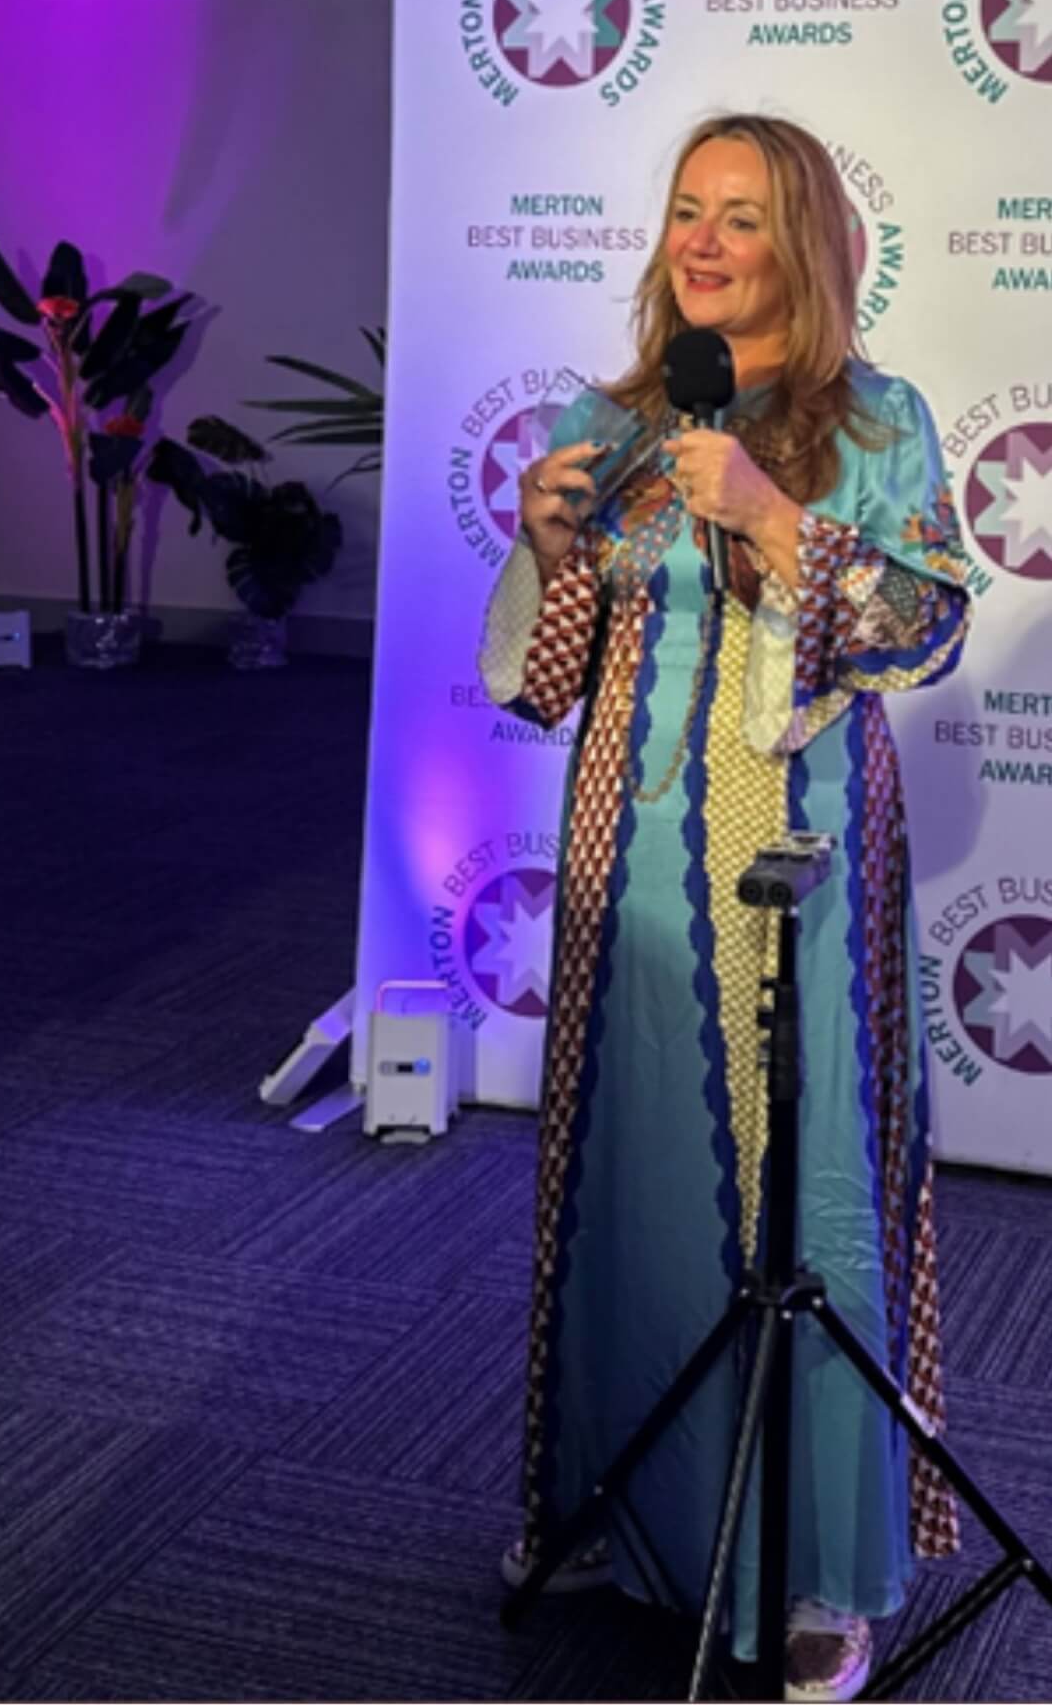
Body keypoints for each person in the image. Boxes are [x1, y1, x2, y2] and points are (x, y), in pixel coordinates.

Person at [479, 113, 972, 1703]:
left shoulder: (876, 420)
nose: (702, 242)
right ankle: (633, 1524)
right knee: (635, 1176)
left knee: (810, 1189)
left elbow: (925, 629)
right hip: (636, 857)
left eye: (740, 218)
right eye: (687, 211)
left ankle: (822, 1570)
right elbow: (550, 688)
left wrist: (771, 511)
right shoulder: (610, 417)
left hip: (812, 859)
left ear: (802, 246)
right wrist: (546, 546)